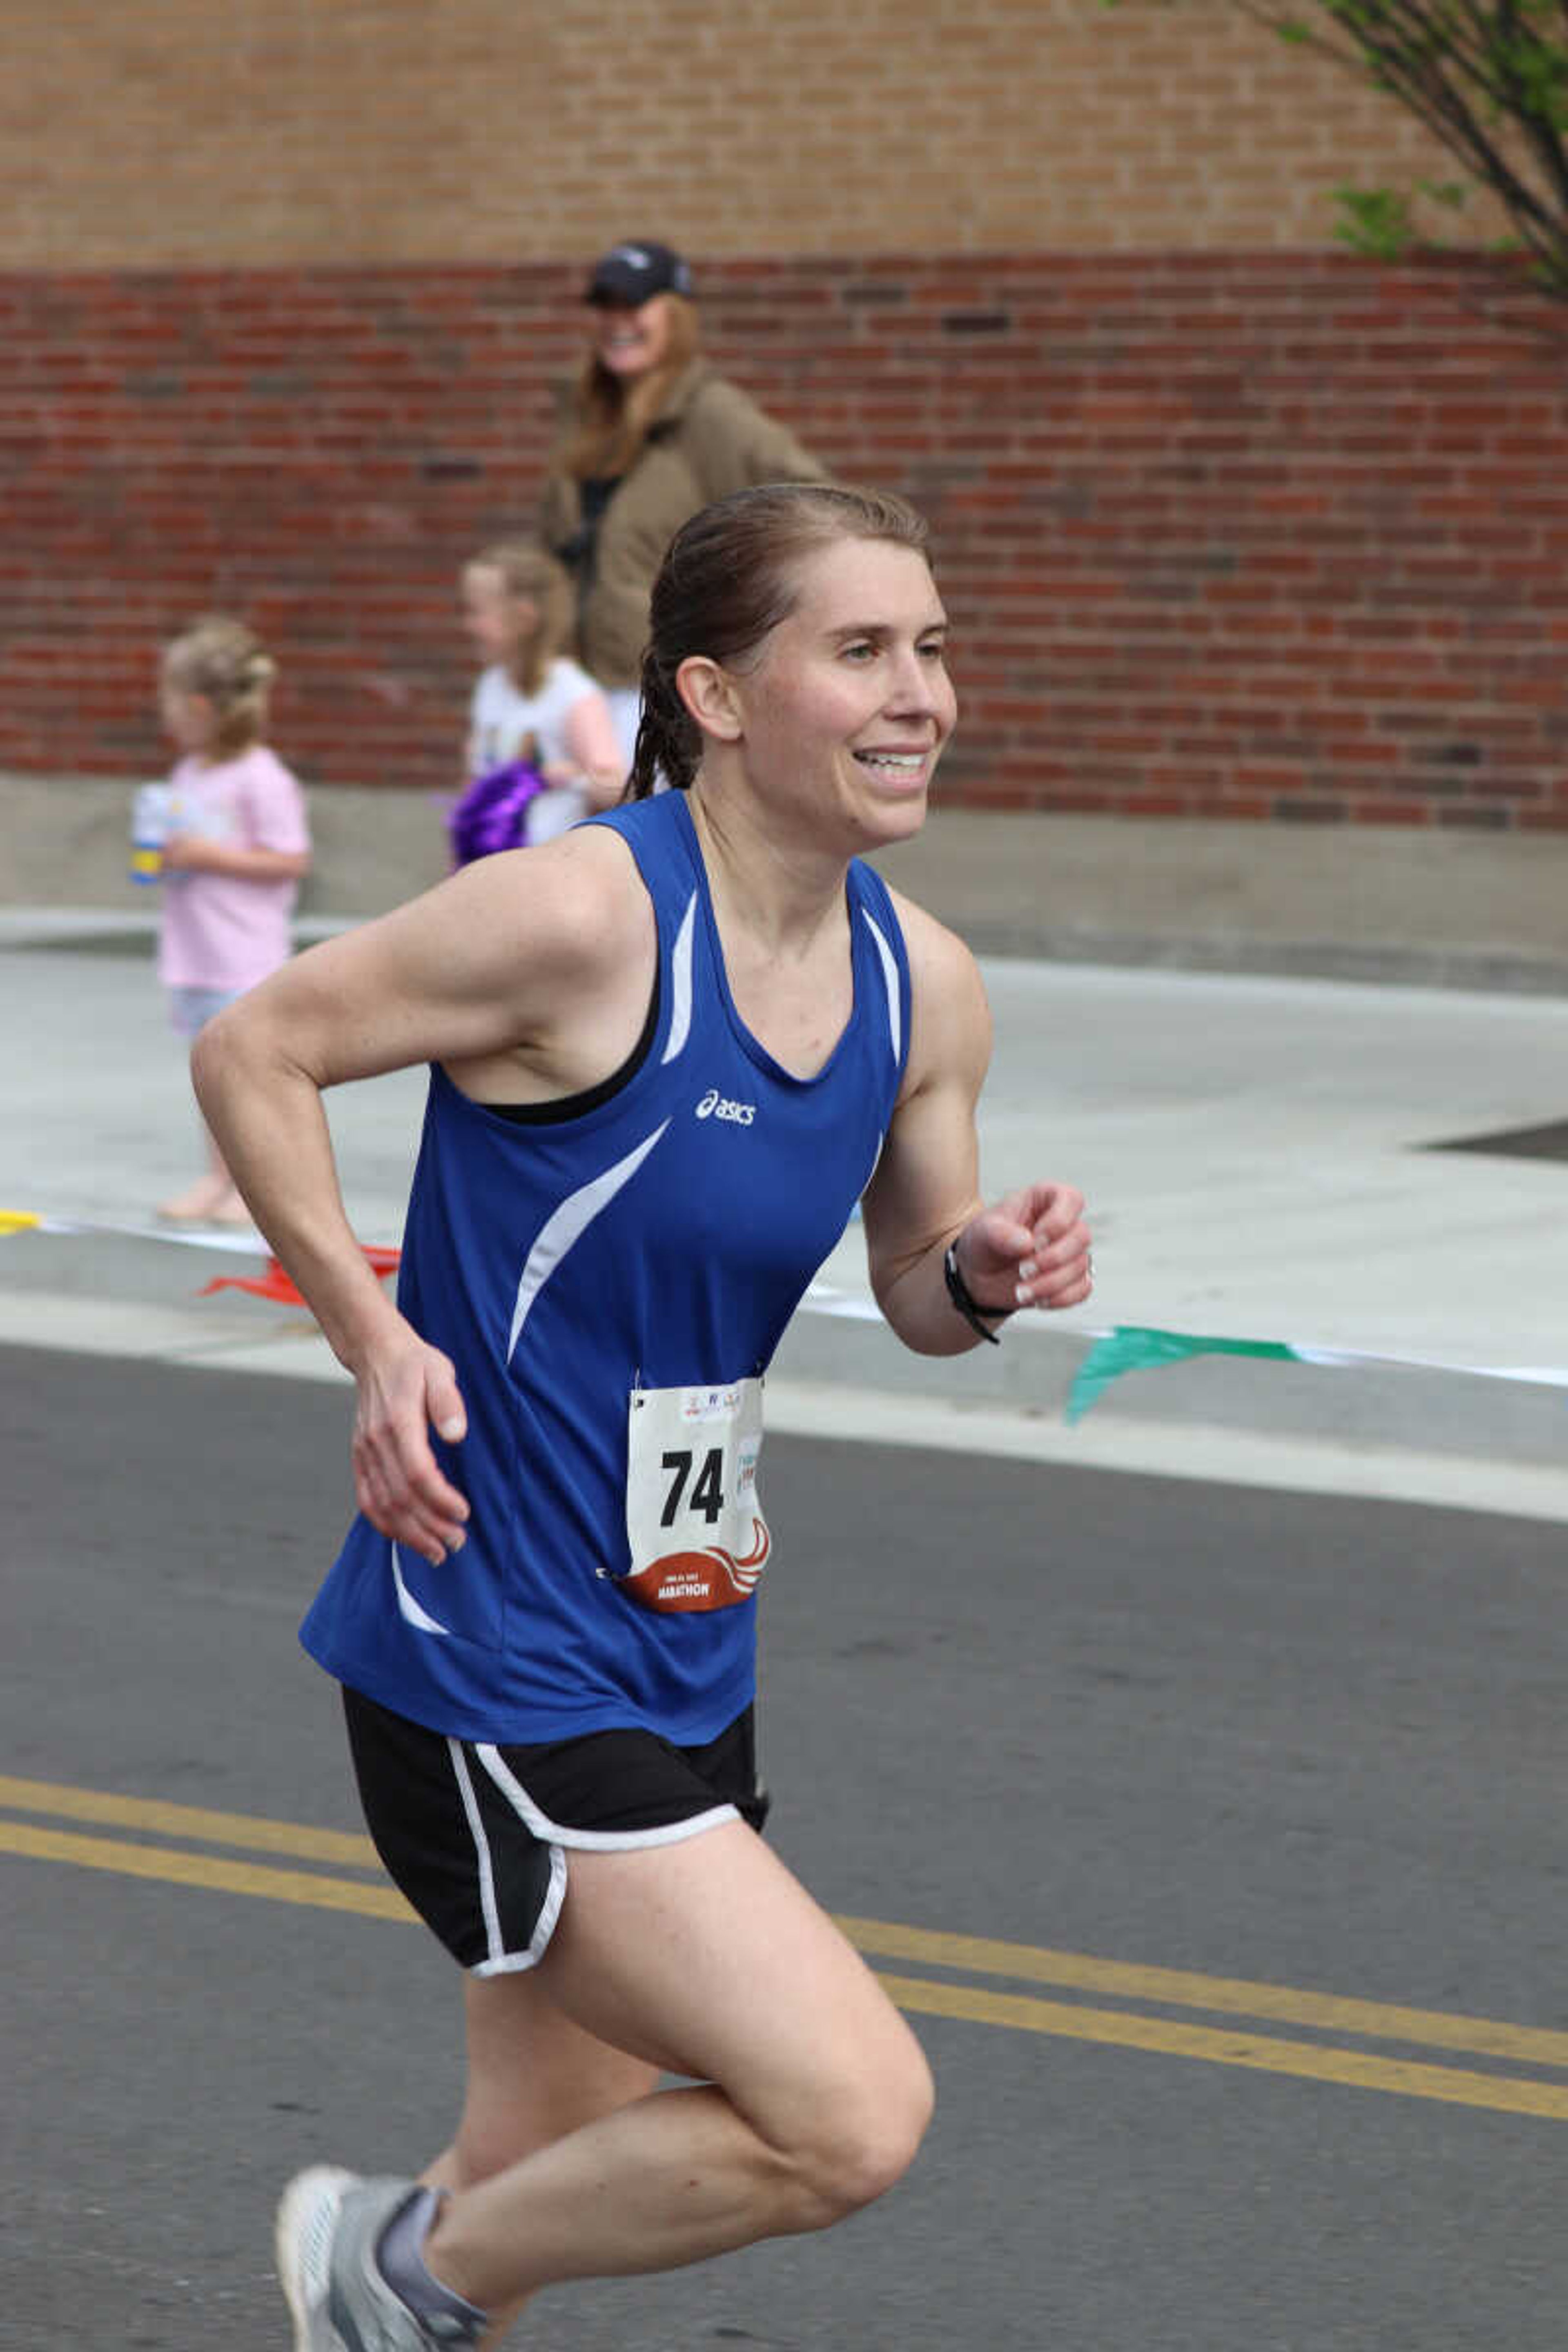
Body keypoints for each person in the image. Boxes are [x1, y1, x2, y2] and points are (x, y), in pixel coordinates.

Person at [191, 481, 1093, 2351]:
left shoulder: (919, 983)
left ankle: (410, 2284)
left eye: (932, 645)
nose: (920, 691)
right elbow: (253, 1043)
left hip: (686, 1624)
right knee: (847, 2111)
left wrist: (985, 1269)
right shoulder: (585, 919)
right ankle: (390, 2263)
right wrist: (370, 1335)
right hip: (490, 1639)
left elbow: (919, 1287)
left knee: (536, 2165)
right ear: (722, 691)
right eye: (860, 651)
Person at [539, 238, 829, 768]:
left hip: (654, 694)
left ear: (676, 314)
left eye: (634, 304)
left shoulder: (711, 415)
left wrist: (736, 615)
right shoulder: (585, 414)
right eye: (606, 306)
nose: (616, 320)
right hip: (572, 684)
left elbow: (817, 509)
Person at [151, 616, 312, 1225]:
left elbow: (290, 858)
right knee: (209, 1075)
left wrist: (204, 855)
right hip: (194, 951)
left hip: (242, 956)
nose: (161, 713)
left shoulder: (263, 779)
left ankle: (253, 1188)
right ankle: (219, 1177)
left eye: (167, 699)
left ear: (198, 706)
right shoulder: (189, 773)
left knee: (246, 1081)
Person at [453, 538, 625, 861]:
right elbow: (476, 783)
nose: (468, 626)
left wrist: (571, 778)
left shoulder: (573, 694)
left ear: (524, 619)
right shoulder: (491, 686)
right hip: (488, 866)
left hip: (550, 870)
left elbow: (616, 788)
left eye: (477, 612)